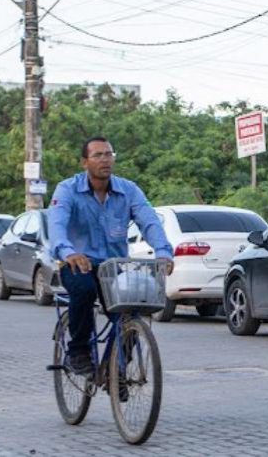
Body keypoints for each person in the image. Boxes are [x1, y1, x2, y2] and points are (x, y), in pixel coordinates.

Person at [48, 136, 174, 376]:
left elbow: (150, 223)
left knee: (131, 313)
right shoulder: (67, 190)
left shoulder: (129, 190)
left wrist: (163, 252)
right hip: (77, 264)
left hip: (113, 267)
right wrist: (69, 252)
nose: (105, 160)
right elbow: (56, 226)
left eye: (109, 154)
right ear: (85, 162)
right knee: (84, 291)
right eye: (97, 155)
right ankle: (78, 351)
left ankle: (114, 373)